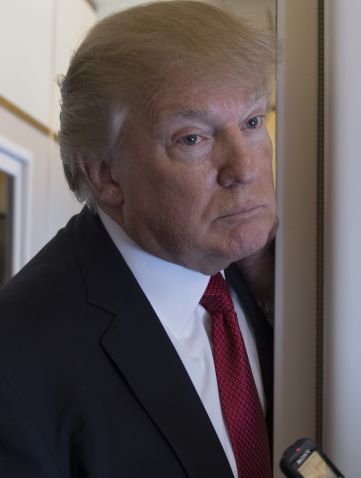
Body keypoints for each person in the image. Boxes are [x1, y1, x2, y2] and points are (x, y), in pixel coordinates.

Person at [0, 2, 277, 477]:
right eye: (192, 138)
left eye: (252, 122)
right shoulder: (16, 362)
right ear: (106, 175)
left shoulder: (267, 275)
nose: (245, 169)